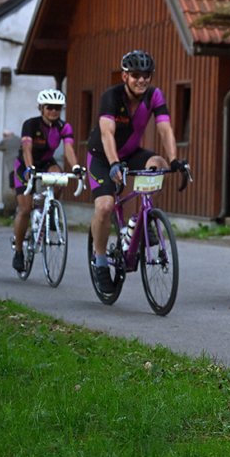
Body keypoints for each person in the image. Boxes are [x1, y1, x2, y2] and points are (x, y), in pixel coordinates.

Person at [86, 51, 184, 294]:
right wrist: (114, 163)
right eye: (136, 75)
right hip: (102, 156)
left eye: (146, 75)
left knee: (158, 163)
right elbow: (107, 133)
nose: (142, 80)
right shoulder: (111, 96)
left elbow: (165, 128)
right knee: (105, 207)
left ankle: (142, 219)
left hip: (130, 153)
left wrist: (174, 159)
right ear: (125, 76)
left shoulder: (154, 95)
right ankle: (100, 262)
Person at [11, 89, 82, 273]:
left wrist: (76, 167)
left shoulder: (64, 127)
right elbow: (27, 149)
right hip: (25, 165)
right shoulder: (30, 124)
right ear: (41, 108)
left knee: (60, 178)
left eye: (58, 107)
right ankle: (18, 251)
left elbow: (68, 149)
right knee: (25, 208)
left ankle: (49, 210)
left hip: (46, 162)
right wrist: (29, 168)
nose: (54, 111)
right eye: (49, 107)